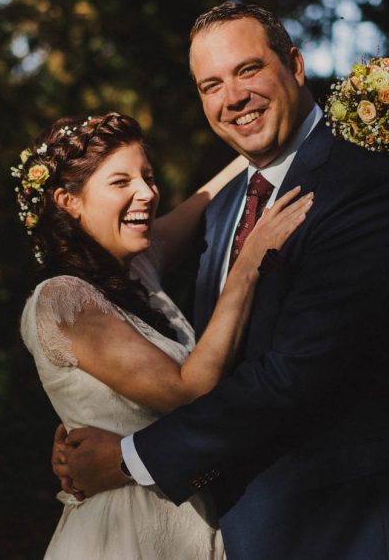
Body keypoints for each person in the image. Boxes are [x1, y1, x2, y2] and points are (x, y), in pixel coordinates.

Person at [54, 3, 389, 559]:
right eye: (211, 85)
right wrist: (84, 429)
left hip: (352, 532)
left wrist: (127, 459)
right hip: (242, 530)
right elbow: (202, 362)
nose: (233, 98)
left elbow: (294, 374)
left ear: (294, 65)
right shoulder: (225, 209)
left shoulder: (361, 187)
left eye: (248, 70)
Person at [16, 112, 313, 558]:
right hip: (124, 532)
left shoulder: (137, 266)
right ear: (68, 201)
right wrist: (248, 265)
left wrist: (270, 141)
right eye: (121, 182)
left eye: (148, 177)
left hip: (185, 512)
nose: (147, 192)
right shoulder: (62, 300)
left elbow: (203, 199)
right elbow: (188, 391)